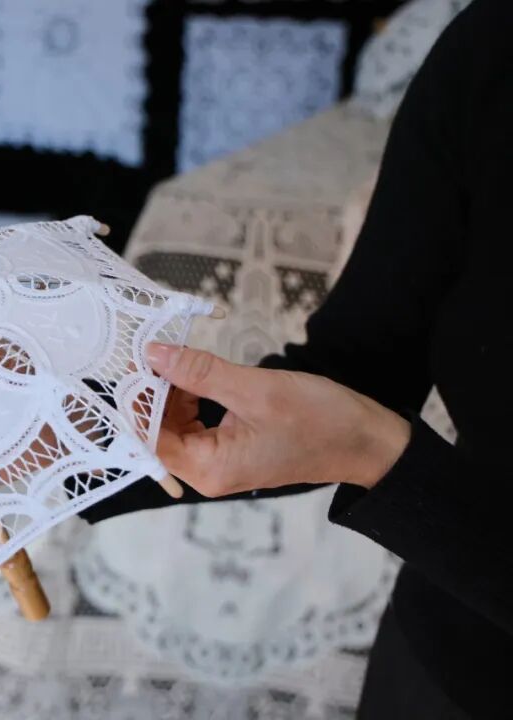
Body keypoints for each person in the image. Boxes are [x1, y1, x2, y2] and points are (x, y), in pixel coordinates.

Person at [87, 1, 513, 717]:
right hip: (442, 661)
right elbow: (363, 365)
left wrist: (379, 454)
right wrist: (75, 441)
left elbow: (362, 427)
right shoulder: (494, 46)